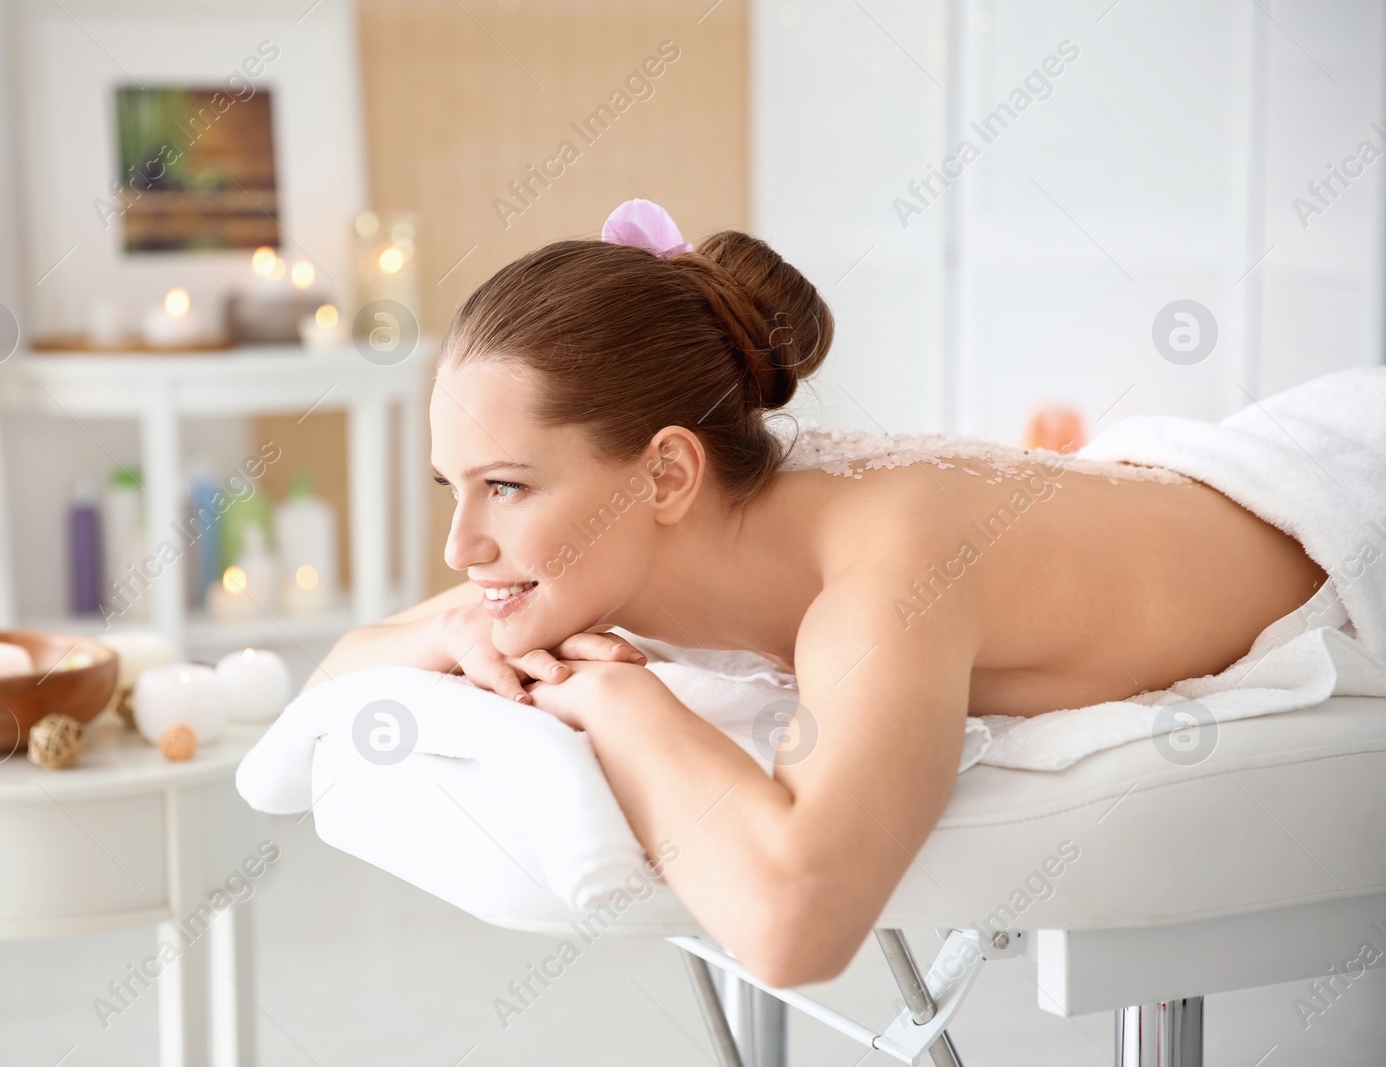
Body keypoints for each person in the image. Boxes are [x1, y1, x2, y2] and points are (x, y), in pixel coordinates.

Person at [304, 200, 1325, 988]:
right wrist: (451, 626)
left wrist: (623, 702)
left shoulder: (882, 579)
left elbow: (795, 927)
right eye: (454, 485)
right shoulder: (677, 524)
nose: (460, 543)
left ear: (665, 475)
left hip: (1333, 500)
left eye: (507, 487)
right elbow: (340, 667)